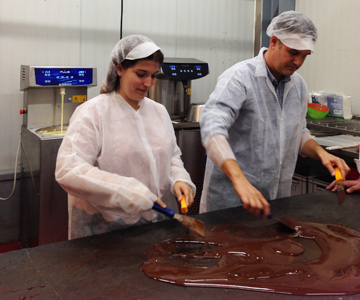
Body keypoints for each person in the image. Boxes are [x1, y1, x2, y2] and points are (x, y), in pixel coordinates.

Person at [199, 11, 350, 218]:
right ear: (273, 41)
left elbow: (299, 132)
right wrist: (240, 180)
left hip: (275, 201)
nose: (298, 62)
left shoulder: (298, 86)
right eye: (293, 53)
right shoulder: (240, 77)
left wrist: (322, 154)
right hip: (231, 199)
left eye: (305, 56)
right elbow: (212, 129)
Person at [55, 34, 195, 239]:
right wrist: (124, 190)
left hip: (156, 221)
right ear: (119, 69)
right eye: (141, 74)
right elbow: (69, 170)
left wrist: (179, 179)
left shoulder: (159, 112)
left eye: (154, 75)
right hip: (104, 228)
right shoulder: (93, 112)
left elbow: (171, 156)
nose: (148, 83)